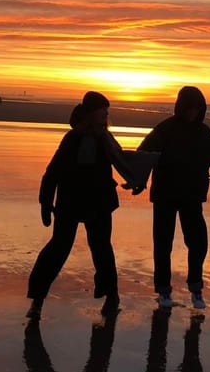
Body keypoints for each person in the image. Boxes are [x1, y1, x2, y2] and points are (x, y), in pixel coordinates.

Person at [27, 91, 136, 318]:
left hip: (99, 202)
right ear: (90, 112)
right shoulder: (72, 138)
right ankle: (37, 300)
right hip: (71, 201)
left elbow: (122, 161)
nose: (106, 113)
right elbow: (52, 171)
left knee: (102, 249)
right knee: (58, 248)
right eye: (102, 109)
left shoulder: (105, 138)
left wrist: (136, 180)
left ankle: (112, 296)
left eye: (107, 110)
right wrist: (45, 202)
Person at [133, 86, 210, 309]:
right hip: (165, 194)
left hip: (192, 196)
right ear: (181, 107)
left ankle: (196, 288)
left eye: (197, 108)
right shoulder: (166, 128)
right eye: (189, 107)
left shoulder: (204, 132)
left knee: (198, 243)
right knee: (163, 244)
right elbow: (144, 155)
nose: (193, 112)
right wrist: (139, 180)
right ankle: (163, 290)